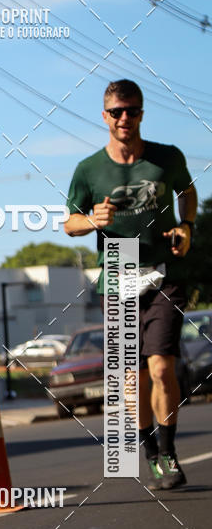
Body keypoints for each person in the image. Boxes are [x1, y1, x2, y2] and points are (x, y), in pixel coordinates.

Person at [64, 79, 197, 490]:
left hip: (161, 272)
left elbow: (187, 192)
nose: (125, 118)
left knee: (160, 367)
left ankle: (169, 450)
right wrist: (92, 221)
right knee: (132, 377)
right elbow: (70, 223)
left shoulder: (165, 158)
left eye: (132, 110)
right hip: (117, 274)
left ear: (141, 113)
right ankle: (151, 451)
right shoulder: (89, 170)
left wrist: (187, 226)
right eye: (117, 111)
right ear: (104, 116)